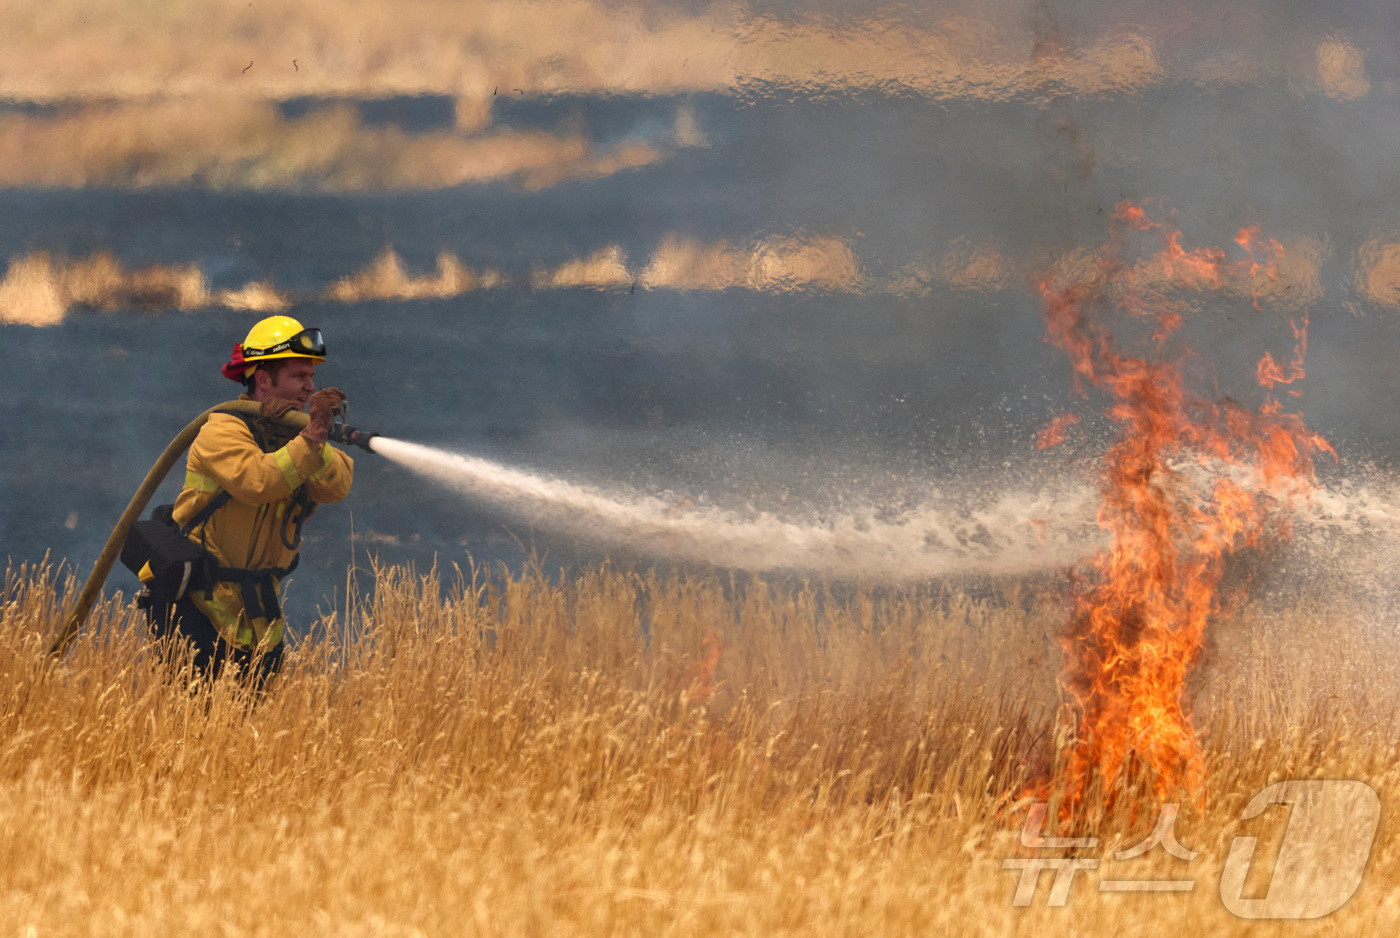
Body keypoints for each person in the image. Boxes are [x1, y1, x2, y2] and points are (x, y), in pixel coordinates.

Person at [143, 314, 354, 691]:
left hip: (259, 618)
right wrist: (310, 439)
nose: (310, 387)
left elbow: (337, 483)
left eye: (311, 376)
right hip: (197, 609)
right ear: (263, 379)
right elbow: (258, 481)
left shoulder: (295, 439)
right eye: (299, 376)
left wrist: (307, 435)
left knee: (250, 725)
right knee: (193, 720)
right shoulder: (222, 430)